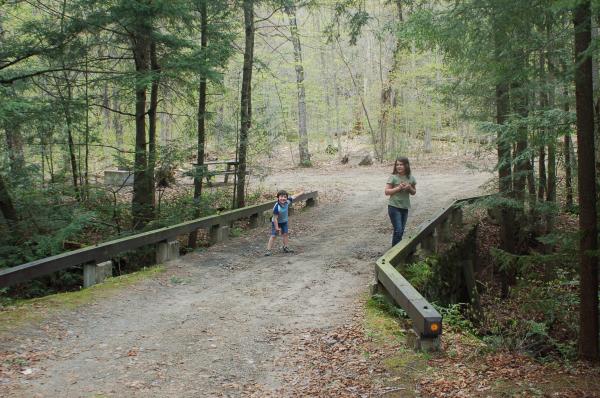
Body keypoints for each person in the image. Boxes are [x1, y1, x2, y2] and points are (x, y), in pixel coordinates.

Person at [384, 157, 416, 246]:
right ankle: (394, 253)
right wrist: (399, 188)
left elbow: (414, 192)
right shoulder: (393, 177)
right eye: (397, 164)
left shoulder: (411, 178)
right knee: (398, 230)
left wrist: (409, 188)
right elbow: (386, 192)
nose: (399, 166)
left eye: (401, 164)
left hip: (405, 208)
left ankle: (396, 250)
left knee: (401, 231)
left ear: (406, 165)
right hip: (394, 207)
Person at [265, 190, 303, 256]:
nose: (283, 198)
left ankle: (285, 247)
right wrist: (277, 228)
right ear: (278, 197)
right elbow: (275, 218)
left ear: (287, 198)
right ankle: (268, 250)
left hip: (284, 222)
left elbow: (294, 196)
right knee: (274, 235)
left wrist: (301, 192)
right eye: (281, 197)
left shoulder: (287, 201)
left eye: (285, 197)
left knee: (285, 234)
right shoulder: (277, 207)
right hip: (276, 222)